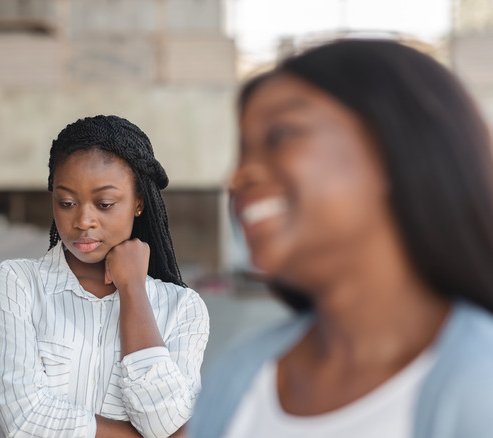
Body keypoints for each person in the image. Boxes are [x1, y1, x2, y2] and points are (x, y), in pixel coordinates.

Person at [190, 39, 493, 438]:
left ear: (394, 148)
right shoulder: (237, 376)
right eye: (244, 150)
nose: (237, 176)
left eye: (280, 136)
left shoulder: (479, 388)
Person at [0, 115, 210, 438]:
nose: (83, 220)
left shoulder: (183, 308)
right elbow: (23, 419)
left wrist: (133, 290)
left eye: (104, 204)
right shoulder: (17, 283)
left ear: (138, 202)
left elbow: (170, 422)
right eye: (67, 203)